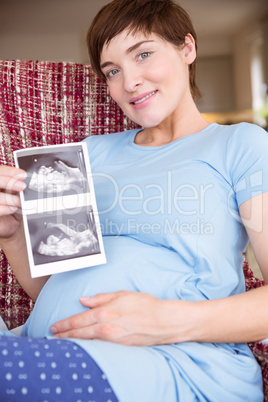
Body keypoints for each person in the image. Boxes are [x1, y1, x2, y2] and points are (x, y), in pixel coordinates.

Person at [0, 0, 267, 400]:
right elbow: (57, 290)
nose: (129, 82)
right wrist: (11, 234)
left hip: (174, 362)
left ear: (187, 49)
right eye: (113, 71)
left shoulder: (240, 145)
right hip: (52, 344)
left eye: (143, 54)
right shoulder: (86, 154)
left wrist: (164, 320)